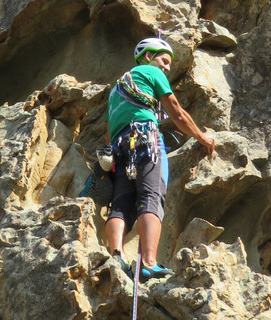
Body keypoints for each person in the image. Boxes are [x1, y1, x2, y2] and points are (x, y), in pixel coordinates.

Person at [105, 37, 215, 280]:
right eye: (164, 61)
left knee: (121, 204)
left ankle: (117, 255)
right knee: (151, 196)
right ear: (147, 56)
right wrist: (201, 137)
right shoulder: (150, 72)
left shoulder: (116, 89)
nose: (166, 67)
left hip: (119, 148)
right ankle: (149, 262)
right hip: (145, 137)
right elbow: (176, 111)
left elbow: (108, 129)